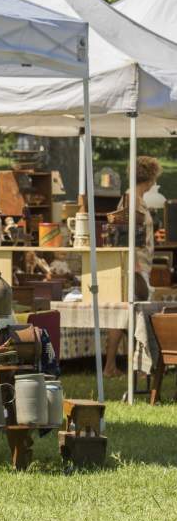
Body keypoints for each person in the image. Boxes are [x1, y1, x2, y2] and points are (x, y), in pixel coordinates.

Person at [104, 156, 162, 377]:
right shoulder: (132, 200)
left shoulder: (135, 199)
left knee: (124, 315)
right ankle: (138, 368)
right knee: (138, 316)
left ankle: (113, 366)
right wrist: (135, 264)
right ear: (150, 178)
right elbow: (127, 235)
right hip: (136, 266)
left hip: (137, 264)